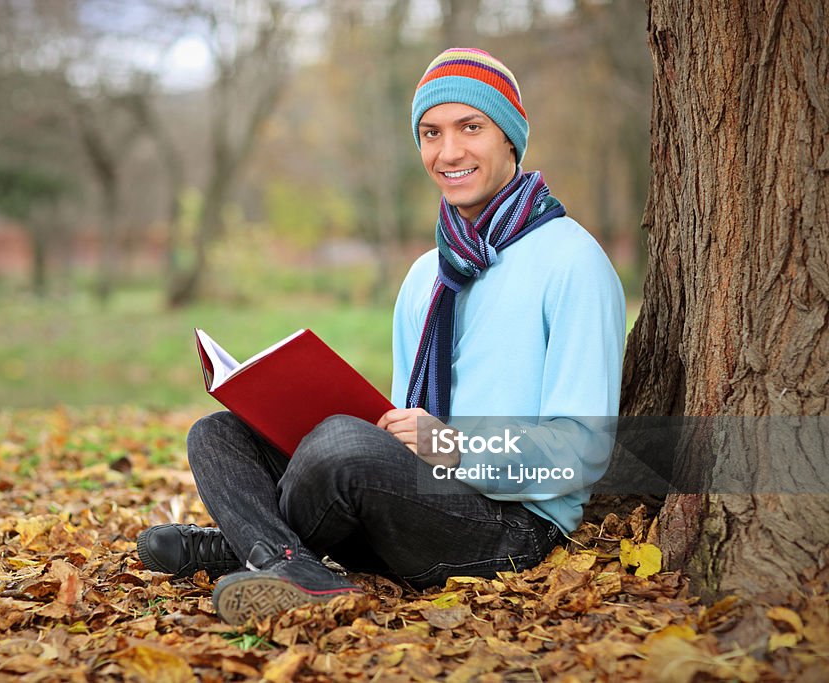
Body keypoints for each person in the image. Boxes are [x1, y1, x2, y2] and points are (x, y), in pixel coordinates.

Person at [136, 47, 625, 625]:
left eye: (472, 127)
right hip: (414, 502)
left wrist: (452, 446)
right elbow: (397, 427)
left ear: (510, 138)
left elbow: (583, 452)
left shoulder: (573, 262)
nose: (448, 151)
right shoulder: (426, 274)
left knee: (340, 446)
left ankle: (251, 548)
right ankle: (289, 563)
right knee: (218, 435)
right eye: (430, 133)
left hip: (512, 529)